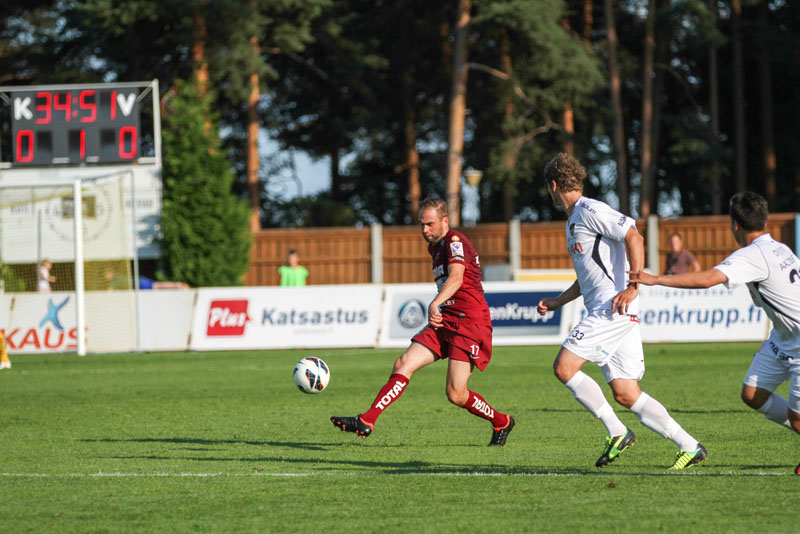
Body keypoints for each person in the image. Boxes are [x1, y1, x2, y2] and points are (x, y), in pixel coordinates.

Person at [536, 153, 706, 470]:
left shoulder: (590, 209)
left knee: (564, 367)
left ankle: (617, 432)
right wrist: (558, 302)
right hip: (610, 306)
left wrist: (634, 285)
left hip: (612, 307)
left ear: (554, 185)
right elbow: (587, 278)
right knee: (626, 393)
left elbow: (633, 234)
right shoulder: (573, 220)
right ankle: (690, 445)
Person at [629, 191, 800, 475]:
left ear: (735, 225)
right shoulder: (779, 248)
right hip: (782, 340)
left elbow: (709, 279)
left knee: (797, 420)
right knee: (752, 394)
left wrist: (656, 278)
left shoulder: (752, 255)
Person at [331, 197, 515, 446]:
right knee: (403, 362)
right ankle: (367, 420)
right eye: (421, 224)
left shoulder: (454, 241)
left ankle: (502, 421)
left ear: (445, 221)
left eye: (430, 224)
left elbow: (457, 277)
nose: (424, 230)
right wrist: (440, 306)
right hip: (445, 320)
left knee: (456, 394)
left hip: (468, 323)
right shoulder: (435, 247)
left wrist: (435, 302)